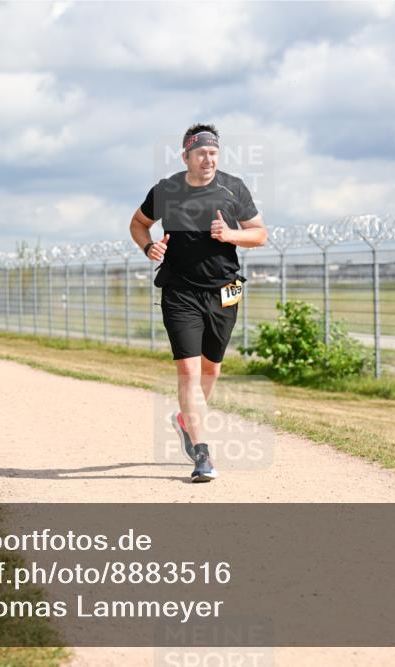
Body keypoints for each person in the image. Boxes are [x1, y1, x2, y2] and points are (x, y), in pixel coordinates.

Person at [129, 123, 267, 483]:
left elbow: (260, 234)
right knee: (189, 371)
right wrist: (148, 247)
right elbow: (138, 224)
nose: (208, 159)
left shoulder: (232, 188)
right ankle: (201, 451)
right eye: (202, 153)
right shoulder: (166, 190)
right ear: (186, 156)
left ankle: (185, 418)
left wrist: (230, 233)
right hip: (179, 290)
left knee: (211, 370)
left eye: (214, 153)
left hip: (224, 290)